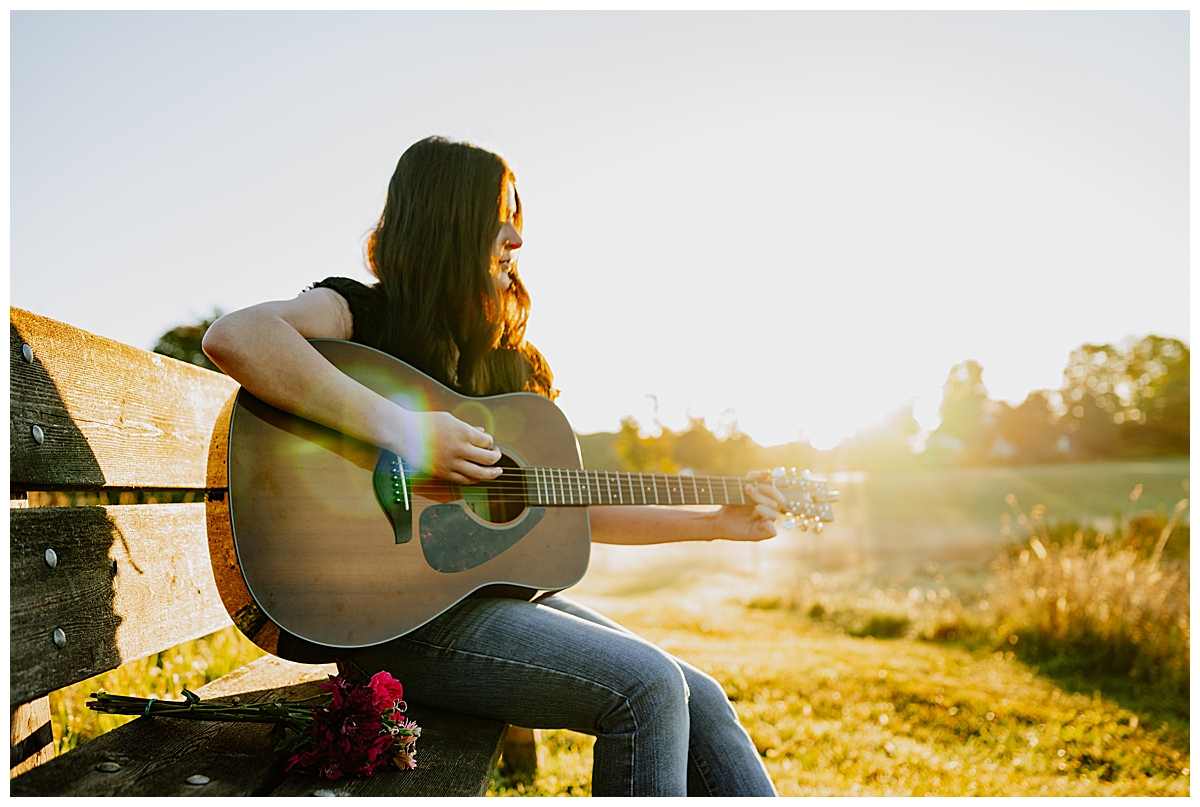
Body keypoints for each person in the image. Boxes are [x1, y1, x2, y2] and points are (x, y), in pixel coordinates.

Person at [202, 135, 781, 797]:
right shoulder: (364, 313)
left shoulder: (508, 363)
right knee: (646, 686)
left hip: (490, 602)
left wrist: (714, 521)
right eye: (500, 216)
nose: (517, 238)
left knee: (697, 695)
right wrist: (408, 432)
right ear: (448, 219)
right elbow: (237, 335)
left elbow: (572, 502)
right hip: (391, 623)